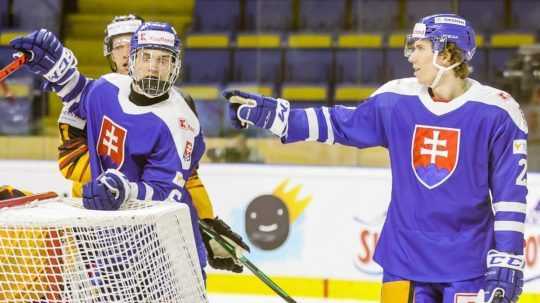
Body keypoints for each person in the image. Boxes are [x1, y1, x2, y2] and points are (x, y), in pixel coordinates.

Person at [223, 14, 527, 303]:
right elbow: (340, 123)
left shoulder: (498, 111)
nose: (411, 56)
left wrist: (509, 257)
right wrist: (274, 115)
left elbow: (509, 196)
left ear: (448, 55)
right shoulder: (397, 100)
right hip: (404, 259)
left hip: (468, 265)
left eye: (420, 48)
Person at [9, 21, 248, 293]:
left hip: (164, 252)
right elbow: (79, 95)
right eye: (146, 57)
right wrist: (57, 68)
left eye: (163, 60)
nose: (153, 67)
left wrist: (126, 188)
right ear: (132, 60)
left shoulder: (181, 123)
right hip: (109, 241)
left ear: (175, 66)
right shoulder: (108, 87)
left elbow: (166, 192)